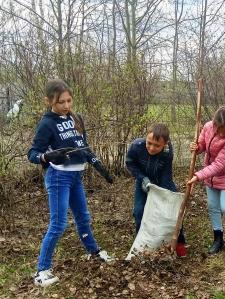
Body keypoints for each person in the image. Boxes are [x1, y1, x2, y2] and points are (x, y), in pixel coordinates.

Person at [27, 79, 114, 287]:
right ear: (49, 101)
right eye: (60, 102)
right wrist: (48, 157)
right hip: (58, 177)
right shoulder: (46, 123)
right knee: (58, 224)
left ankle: (93, 251)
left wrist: (98, 165)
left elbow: (83, 147)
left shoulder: (77, 118)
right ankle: (42, 270)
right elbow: (32, 154)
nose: (66, 106)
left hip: (76, 176)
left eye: (69, 100)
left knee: (83, 217)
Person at [188, 106, 225, 255]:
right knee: (212, 206)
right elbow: (202, 145)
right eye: (219, 128)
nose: (222, 132)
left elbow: (219, 165)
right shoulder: (208, 127)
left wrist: (198, 176)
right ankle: (218, 240)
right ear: (214, 124)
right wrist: (196, 147)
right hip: (210, 173)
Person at [126, 123, 187, 257]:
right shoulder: (136, 146)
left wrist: (163, 194)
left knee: (175, 211)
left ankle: (179, 241)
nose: (152, 148)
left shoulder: (167, 152)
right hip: (143, 181)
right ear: (145, 138)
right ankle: (141, 244)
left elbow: (166, 175)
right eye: (149, 143)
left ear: (165, 144)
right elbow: (130, 163)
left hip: (162, 181)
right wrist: (143, 178)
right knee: (139, 212)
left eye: (157, 145)